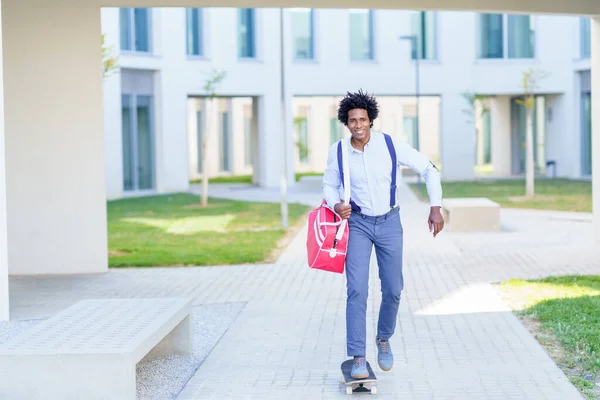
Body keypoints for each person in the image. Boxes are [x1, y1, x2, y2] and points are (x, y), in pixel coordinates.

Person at [322, 90, 444, 379]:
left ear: (371, 119)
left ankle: (383, 338)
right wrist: (336, 203)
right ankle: (359, 358)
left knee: (392, 288)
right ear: (346, 122)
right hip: (359, 224)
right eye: (352, 120)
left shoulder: (390, 145)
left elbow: (429, 169)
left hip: (390, 222)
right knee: (357, 290)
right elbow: (329, 185)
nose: (358, 125)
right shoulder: (338, 151)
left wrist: (435, 207)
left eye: (363, 119)